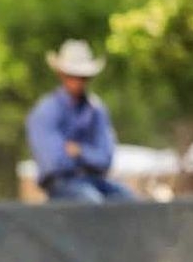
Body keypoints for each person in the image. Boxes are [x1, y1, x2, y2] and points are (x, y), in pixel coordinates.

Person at [25, 39, 136, 203]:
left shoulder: (96, 110)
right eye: (73, 76)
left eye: (82, 77)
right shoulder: (45, 111)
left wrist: (79, 151)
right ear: (61, 75)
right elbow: (54, 163)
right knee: (91, 202)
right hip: (61, 186)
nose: (78, 82)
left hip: (96, 181)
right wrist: (89, 157)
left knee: (128, 200)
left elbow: (105, 158)